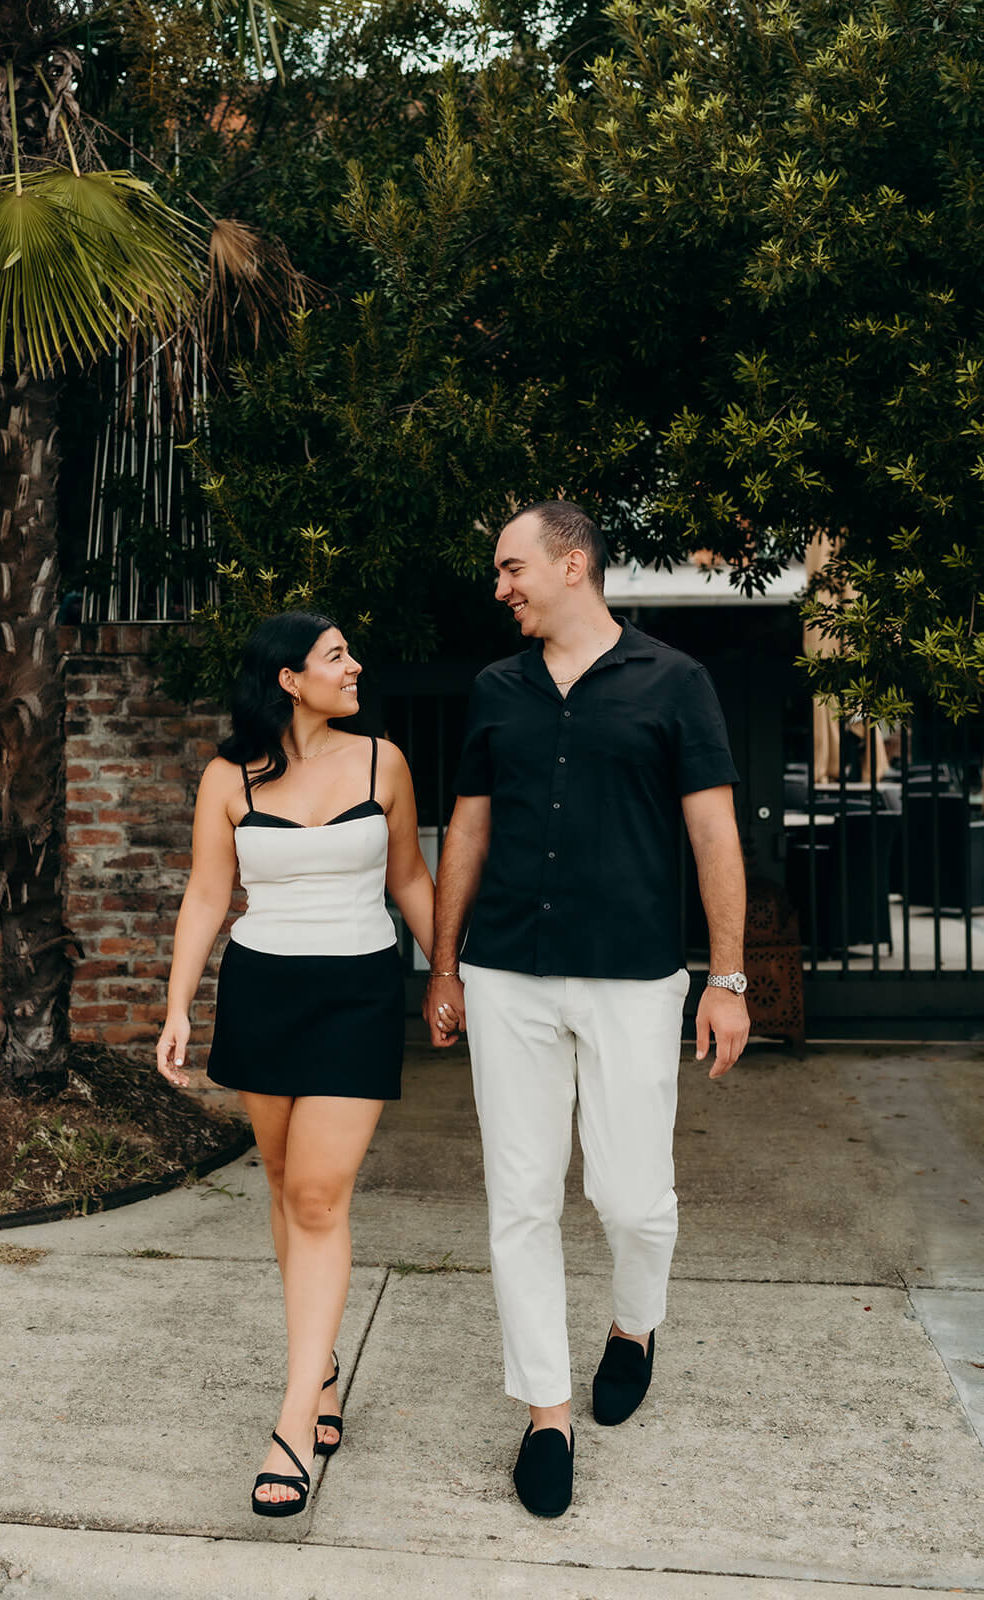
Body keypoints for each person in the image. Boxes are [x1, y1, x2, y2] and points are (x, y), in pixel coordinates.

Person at [424, 502, 750, 1518]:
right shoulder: (494, 692)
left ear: (572, 565)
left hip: (631, 977)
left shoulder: (674, 683)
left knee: (628, 1197)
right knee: (519, 1199)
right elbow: (466, 836)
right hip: (508, 972)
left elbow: (712, 839)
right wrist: (443, 966)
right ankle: (546, 1411)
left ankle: (633, 1325)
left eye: (509, 566)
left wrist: (727, 979)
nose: (499, 586)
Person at [157, 611, 450, 1520]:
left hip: (357, 995)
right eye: (335, 656)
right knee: (283, 1183)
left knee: (320, 1197)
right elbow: (210, 889)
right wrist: (176, 1003)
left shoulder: (382, 762)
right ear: (289, 678)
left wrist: (445, 975)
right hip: (262, 992)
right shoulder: (226, 777)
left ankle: (293, 1422)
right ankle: (316, 1363)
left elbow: (407, 876)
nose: (353, 665)